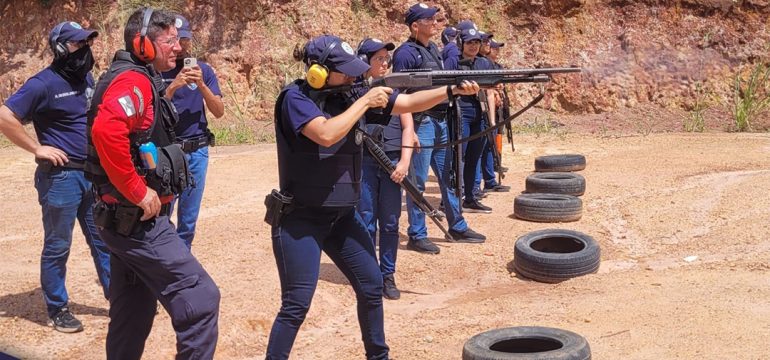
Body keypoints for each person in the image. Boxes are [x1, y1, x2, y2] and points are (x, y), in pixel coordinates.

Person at [267, 34, 479, 360]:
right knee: (296, 303)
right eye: (345, 71)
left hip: (341, 217)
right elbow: (325, 134)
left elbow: (406, 104)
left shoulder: (350, 93)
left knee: (371, 286)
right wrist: (365, 101)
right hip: (301, 218)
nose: (354, 77)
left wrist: (451, 91)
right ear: (317, 72)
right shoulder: (295, 99)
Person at [86, 8, 220, 358]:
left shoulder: (138, 77)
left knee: (133, 313)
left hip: (123, 221)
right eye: (169, 41)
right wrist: (136, 188)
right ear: (142, 43)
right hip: (137, 221)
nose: (178, 48)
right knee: (201, 300)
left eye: (178, 40)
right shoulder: (134, 81)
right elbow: (106, 131)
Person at [0, 21, 110, 333]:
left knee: (103, 240)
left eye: (87, 43)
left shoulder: (85, 78)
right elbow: (5, 116)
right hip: (60, 179)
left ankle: (118, 297)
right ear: (61, 47)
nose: (84, 49)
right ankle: (57, 308)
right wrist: (37, 148)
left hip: (90, 174)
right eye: (78, 44)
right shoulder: (42, 84)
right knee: (58, 245)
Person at [392, 3, 487, 254]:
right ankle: (417, 233)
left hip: (441, 120)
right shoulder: (405, 53)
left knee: (450, 176)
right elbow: (400, 95)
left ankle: (457, 225)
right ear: (415, 26)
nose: (436, 22)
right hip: (422, 122)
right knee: (418, 182)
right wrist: (408, 130)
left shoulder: (433, 48)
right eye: (429, 20)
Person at [161, 14, 225, 249]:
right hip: (167, 153)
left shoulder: (204, 70)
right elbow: (153, 112)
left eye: (183, 40)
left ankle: (181, 266)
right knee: (162, 216)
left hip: (197, 152)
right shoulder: (154, 71)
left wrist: (201, 85)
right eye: (173, 41)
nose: (178, 47)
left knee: (187, 221)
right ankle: (163, 267)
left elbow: (218, 111)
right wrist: (174, 85)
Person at [355, 38, 410, 300]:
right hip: (365, 162)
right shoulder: (354, 92)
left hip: (392, 164)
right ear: (365, 62)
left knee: (390, 223)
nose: (385, 62)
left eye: (386, 58)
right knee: (366, 221)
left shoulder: (396, 89)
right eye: (379, 58)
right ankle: (369, 274)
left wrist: (404, 163)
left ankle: (387, 274)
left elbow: (408, 126)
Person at [444, 28, 498, 213]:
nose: (474, 46)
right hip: (460, 112)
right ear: (462, 44)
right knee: (458, 157)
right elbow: (446, 85)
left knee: (474, 157)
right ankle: (450, 199)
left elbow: (492, 84)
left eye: (476, 42)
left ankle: (470, 196)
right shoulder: (453, 61)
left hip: (478, 112)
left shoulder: (483, 62)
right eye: (470, 42)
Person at [478, 38, 511, 193]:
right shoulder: (481, 63)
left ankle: (489, 179)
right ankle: (476, 186)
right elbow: (489, 91)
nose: (490, 47)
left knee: (489, 147)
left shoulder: (488, 63)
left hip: (490, 110)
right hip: (482, 111)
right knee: (479, 150)